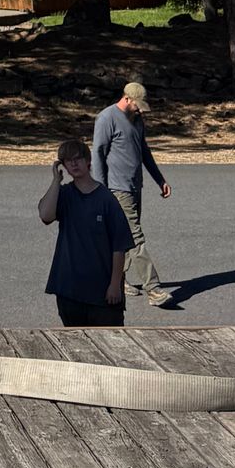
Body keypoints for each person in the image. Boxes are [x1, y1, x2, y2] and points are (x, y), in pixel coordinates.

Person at [93, 77, 174, 308]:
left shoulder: (137, 119)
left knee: (124, 237)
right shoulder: (107, 118)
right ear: (126, 98)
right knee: (135, 237)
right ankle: (153, 288)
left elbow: (144, 151)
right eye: (137, 104)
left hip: (134, 185)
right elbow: (98, 153)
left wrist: (160, 179)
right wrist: (100, 190)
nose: (140, 109)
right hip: (116, 189)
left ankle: (119, 280)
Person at [37, 134, 133, 326]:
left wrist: (115, 285)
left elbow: (119, 246)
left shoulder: (106, 199)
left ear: (88, 161)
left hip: (102, 292)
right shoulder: (64, 194)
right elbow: (46, 215)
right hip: (69, 289)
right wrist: (56, 180)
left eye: (78, 158)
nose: (73, 164)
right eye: (67, 160)